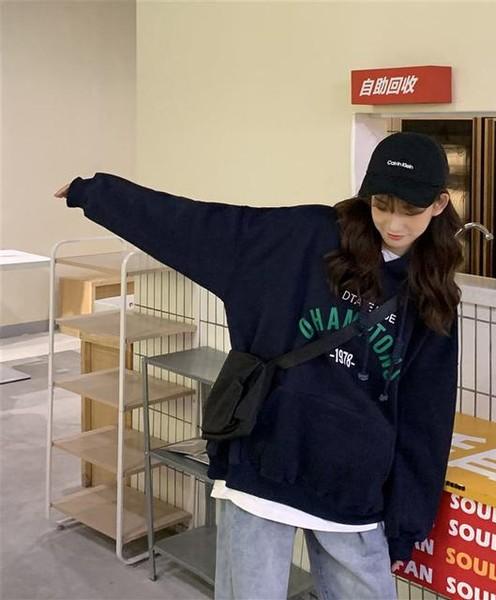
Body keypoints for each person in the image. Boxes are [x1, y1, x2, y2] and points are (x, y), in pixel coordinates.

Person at [54, 131, 463, 600]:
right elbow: (197, 226)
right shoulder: (304, 237)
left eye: (410, 210)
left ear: (438, 204)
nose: (393, 222)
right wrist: (98, 194)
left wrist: (407, 523)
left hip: (351, 486)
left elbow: (425, 418)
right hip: (266, 459)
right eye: (382, 205)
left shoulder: (432, 293)